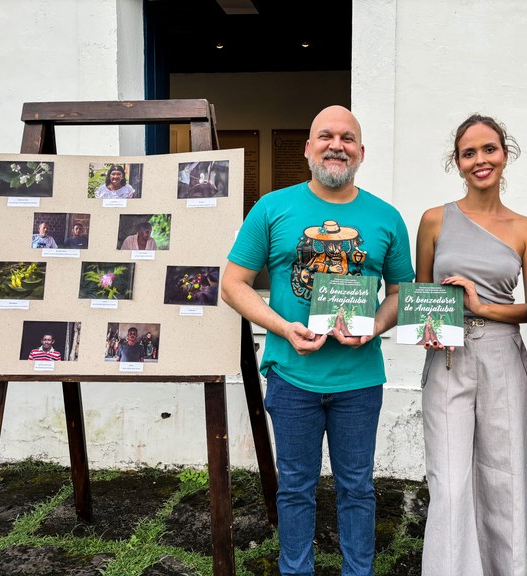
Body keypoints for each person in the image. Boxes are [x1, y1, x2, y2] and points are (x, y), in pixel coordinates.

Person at [220, 105, 414, 576]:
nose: (336, 145)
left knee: (357, 488)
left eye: (347, 138)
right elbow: (232, 284)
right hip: (292, 376)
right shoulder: (272, 208)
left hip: (358, 379)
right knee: (294, 488)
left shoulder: (386, 217)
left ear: (361, 152)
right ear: (308, 148)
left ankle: (358, 571)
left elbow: (400, 294)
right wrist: (283, 328)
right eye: (326, 136)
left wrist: (373, 327)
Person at [415, 115, 527, 576]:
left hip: (504, 355)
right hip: (447, 358)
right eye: (468, 153)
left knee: (504, 482)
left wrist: (482, 306)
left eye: (489, 149)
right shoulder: (434, 220)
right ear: (457, 162)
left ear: (505, 154)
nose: (480, 160)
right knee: (449, 485)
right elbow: (422, 296)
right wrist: (426, 324)